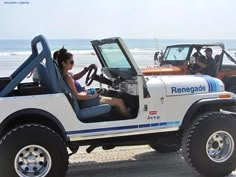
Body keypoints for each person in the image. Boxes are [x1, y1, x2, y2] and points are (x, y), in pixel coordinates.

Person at [57, 48, 132, 118]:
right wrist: (92, 96)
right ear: (64, 63)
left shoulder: (65, 75)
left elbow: (76, 77)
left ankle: (119, 117)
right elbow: (77, 96)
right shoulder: (68, 78)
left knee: (104, 92)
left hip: (84, 97)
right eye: (71, 62)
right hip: (84, 101)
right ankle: (130, 121)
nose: (73, 64)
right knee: (119, 101)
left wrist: (87, 69)